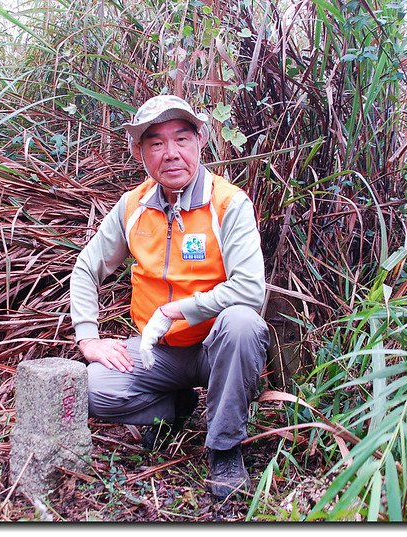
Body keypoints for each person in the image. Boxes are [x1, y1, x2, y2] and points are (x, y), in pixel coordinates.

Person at [69, 95, 269, 500]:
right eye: (156, 143)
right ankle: (174, 407)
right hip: (159, 350)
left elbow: (249, 289)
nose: (171, 153)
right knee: (88, 390)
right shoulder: (133, 207)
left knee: (245, 323)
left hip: (217, 346)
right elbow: (87, 268)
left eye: (181, 138)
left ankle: (224, 447)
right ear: (140, 152)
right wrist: (88, 337)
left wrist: (180, 309)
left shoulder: (228, 203)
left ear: (200, 141)